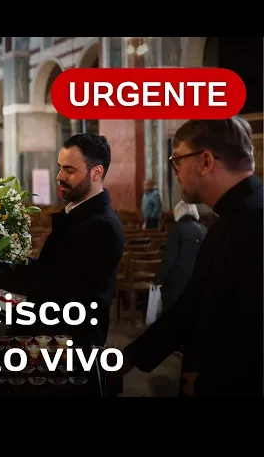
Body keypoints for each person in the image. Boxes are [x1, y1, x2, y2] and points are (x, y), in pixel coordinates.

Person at [116, 117, 263, 397]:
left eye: (178, 161)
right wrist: (129, 358)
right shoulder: (232, 217)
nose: (176, 173)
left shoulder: (256, 221)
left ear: (205, 161)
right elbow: (191, 306)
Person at [0, 133, 125, 347]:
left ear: (96, 172)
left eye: (69, 170)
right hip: (52, 335)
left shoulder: (101, 226)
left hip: (68, 345)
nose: (59, 176)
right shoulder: (80, 214)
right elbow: (53, 268)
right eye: (60, 167)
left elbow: (53, 284)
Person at [153, 201, 206, 312]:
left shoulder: (176, 229)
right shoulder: (203, 229)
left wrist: (159, 277)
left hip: (178, 284)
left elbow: (170, 258)